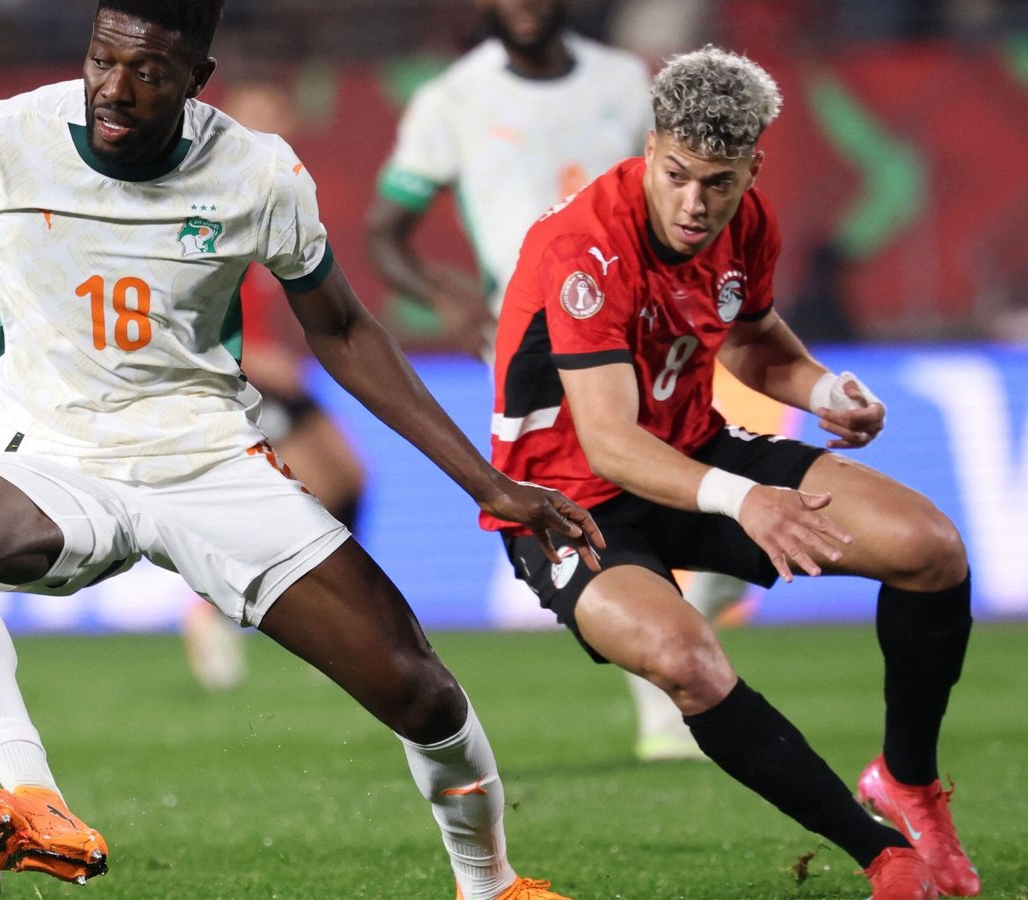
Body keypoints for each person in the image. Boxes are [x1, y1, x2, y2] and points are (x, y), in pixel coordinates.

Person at [0, 2, 603, 896]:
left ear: (196, 80)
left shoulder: (257, 173)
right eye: (104, 60)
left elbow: (341, 329)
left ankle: (491, 886)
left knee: (425, 695)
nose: (116, 89)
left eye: (149, 73)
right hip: (55, 463)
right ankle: (35, 797)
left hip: (213, 465)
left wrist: (488, 483)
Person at [487, 46, 976, 898]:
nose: (694, 203)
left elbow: (748, 339)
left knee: (930, 548)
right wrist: (749, 501)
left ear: (753, 166)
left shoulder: (746, 222)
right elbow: (607, 441)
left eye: (719, 182)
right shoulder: (583, 244)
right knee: (689, 660)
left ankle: (908, 781)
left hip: (693, 453)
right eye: (676, 174)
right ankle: (882, 855)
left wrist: (825, 385)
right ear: (650, 146)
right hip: (568, 503)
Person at [365, 0, 741, 761]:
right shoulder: (453, 99)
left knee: (714, 507)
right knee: (617, 508)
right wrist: (443, 293)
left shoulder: (629, 81)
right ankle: (671, 711)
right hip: (536, 341)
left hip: (653, 326)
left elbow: (687, 191)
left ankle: (679, 663)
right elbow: (384, 230)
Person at [180, 77, 369, 692]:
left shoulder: (267, 194)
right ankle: (221, 611)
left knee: (345, 480)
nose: (268, 129)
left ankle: (324, 612)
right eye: (256, 116)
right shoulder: (204, 198)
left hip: (269, 374)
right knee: (311, 490)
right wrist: (252, 356)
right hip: (235, 378)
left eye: (276, 115)